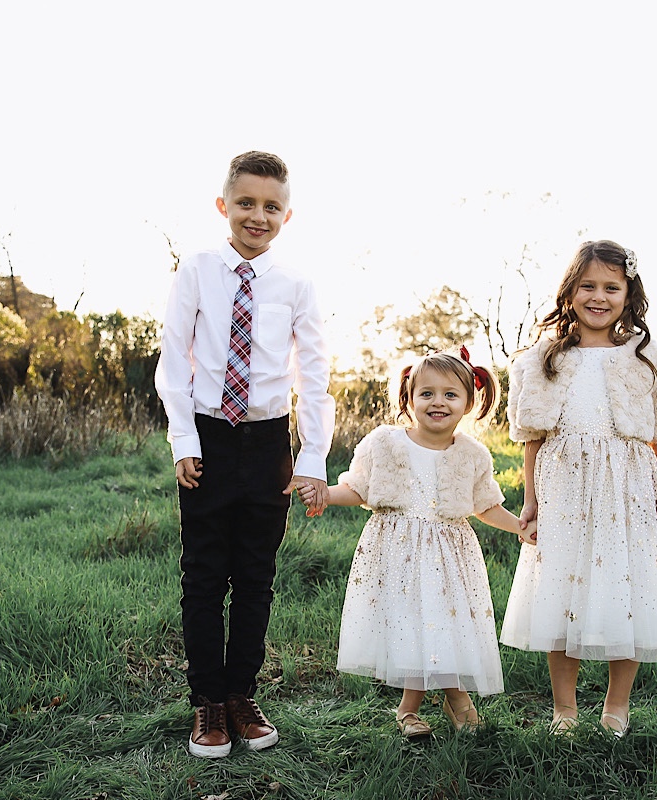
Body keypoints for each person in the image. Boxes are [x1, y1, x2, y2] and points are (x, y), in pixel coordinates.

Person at [154, 151, 334, 758]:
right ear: (223, 206)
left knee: (256, 577)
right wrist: (184, 439)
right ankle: (206, 701)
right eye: (246, 203)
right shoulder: (198, 269)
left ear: (288, 214)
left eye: (271, 207)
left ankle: (240, 696)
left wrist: (310, 459)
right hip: (209, 438)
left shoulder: (295, 283)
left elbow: (313, 371)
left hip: (267, 444)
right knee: (204, 575)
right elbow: (174, 358)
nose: (258, 216)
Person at [499, 239, 657, 738]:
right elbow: (532, 439)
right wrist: (531, 501)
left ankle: (616, 707)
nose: (599, 296)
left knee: (625, 589)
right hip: (564, 485)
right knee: (563, 589)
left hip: (630, 484)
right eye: (588, 285)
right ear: (570, 292)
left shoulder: (646, 354)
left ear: (629, 293)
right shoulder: (543, 357)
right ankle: (564, 709)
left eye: (612, 287)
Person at [297, 349, 535, 739]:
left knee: (443, 624)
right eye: (426, 393)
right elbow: (357, 488)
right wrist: (323, 494)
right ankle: (423, 707)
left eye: (450, 395)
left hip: (448, 557)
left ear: (468, 403)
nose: (437, 402)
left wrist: (519, 528)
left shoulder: (472, 455)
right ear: (408, 397)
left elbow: (485, 506)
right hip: (397, 553)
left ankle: (445, 700)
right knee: (411, 626)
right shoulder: (385, 443)